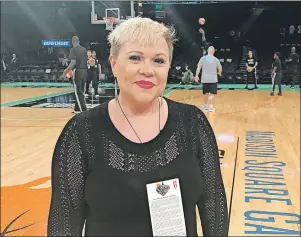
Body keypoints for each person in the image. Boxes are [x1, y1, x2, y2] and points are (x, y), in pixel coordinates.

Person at [47, 17, 228, 236]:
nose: (147, 70)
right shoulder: (81, 132)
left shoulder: (193, 123)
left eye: (159, 61)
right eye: (135, 58)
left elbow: (214, 205)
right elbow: (64, 225)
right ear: (114, 64)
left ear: (168, 65)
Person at [64, 36, 87, 113]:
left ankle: (83, 109)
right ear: (79, 41)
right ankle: (77, 108)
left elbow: (73, 63)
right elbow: (81, 59)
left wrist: (65, 71)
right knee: (81, 90)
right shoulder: (84, 49)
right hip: (84, 71)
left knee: (78, 91)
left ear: (72, 42)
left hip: (77, 71)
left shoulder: (73, 49)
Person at [195, 46, 222, 112]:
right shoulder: (216, 59)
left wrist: (196, 75)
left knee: (205, 93)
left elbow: (198, 67)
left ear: (207, 51)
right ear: (213, 52)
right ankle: (211, 107)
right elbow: (220, 69)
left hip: (205, 79)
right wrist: (219, 73)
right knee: (212, 93)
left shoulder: (202, 58)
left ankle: (206, 106)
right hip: (213, 79)